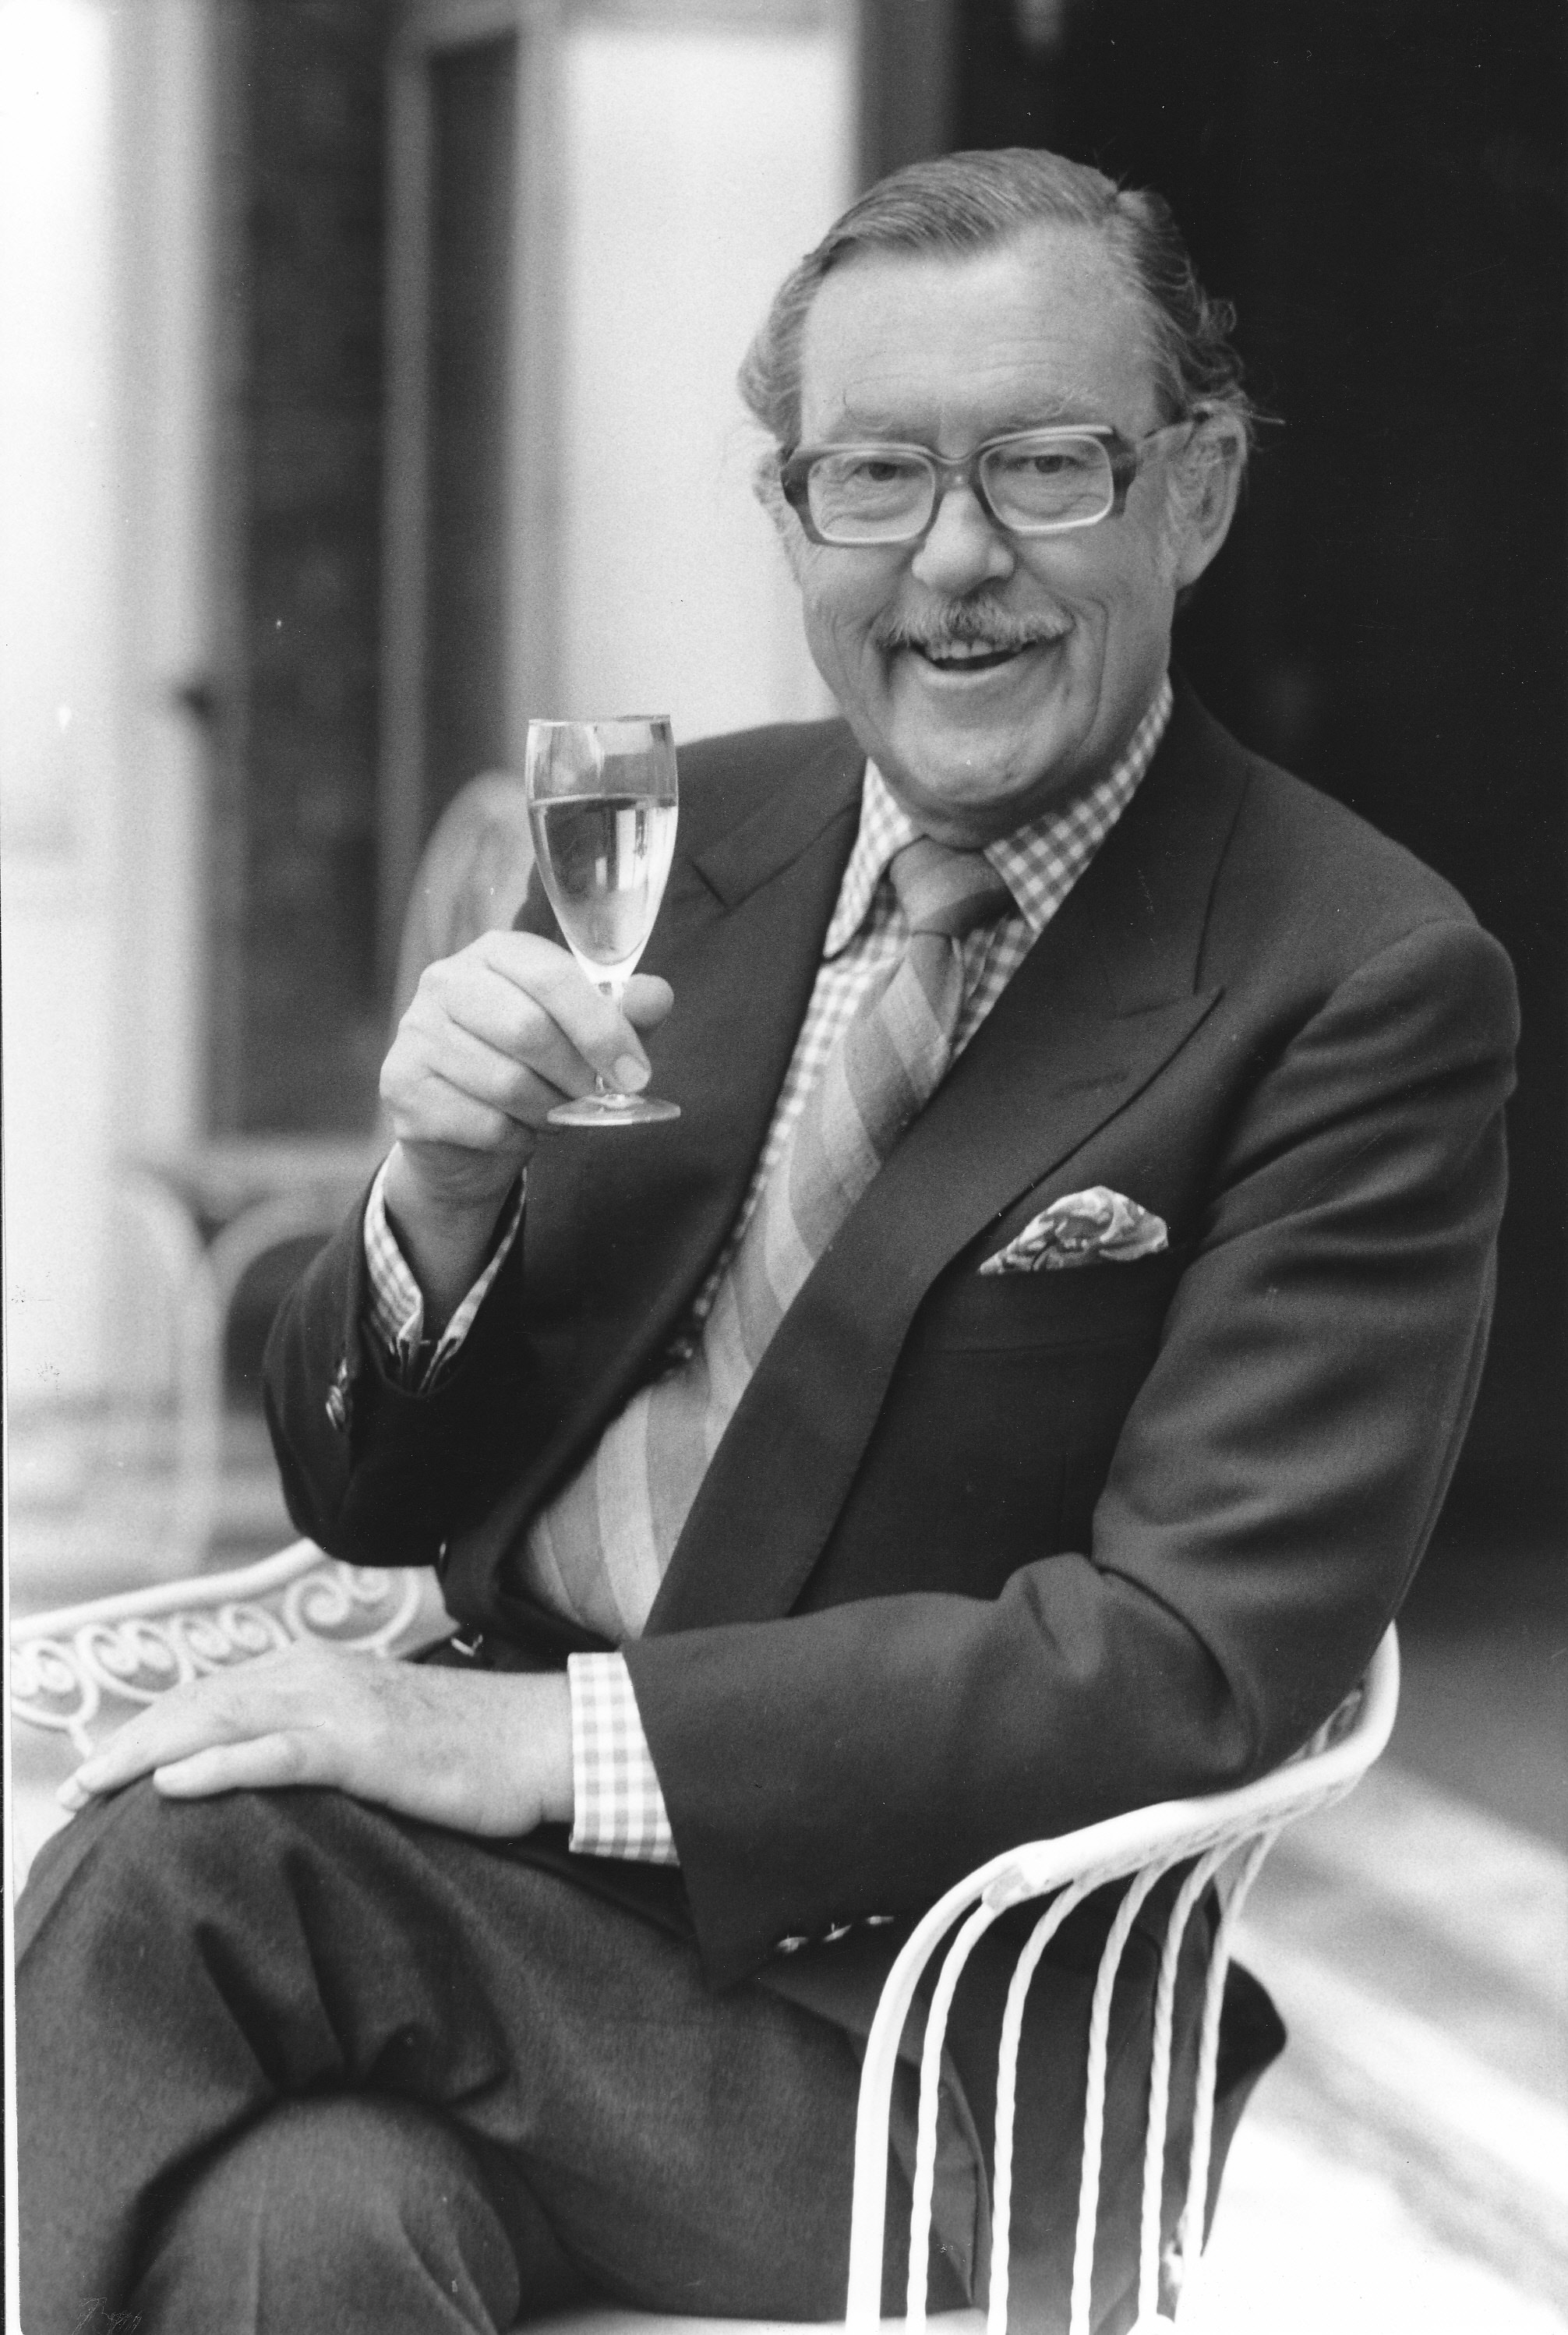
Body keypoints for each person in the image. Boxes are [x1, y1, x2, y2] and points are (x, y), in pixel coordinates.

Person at [18, 147, 1516, 2335]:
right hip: (486, 1932)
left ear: (1193, 491)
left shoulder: (1356, 978)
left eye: (1043, 466)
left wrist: (539, 1742)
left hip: (912, 2051)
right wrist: (433, 1200)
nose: (954, 561)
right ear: (789, 513)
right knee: (303, 2231)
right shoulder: (669, 839)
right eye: (873, 476)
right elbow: (365, 1497)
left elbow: (1186, 1660)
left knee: (198, 1855)